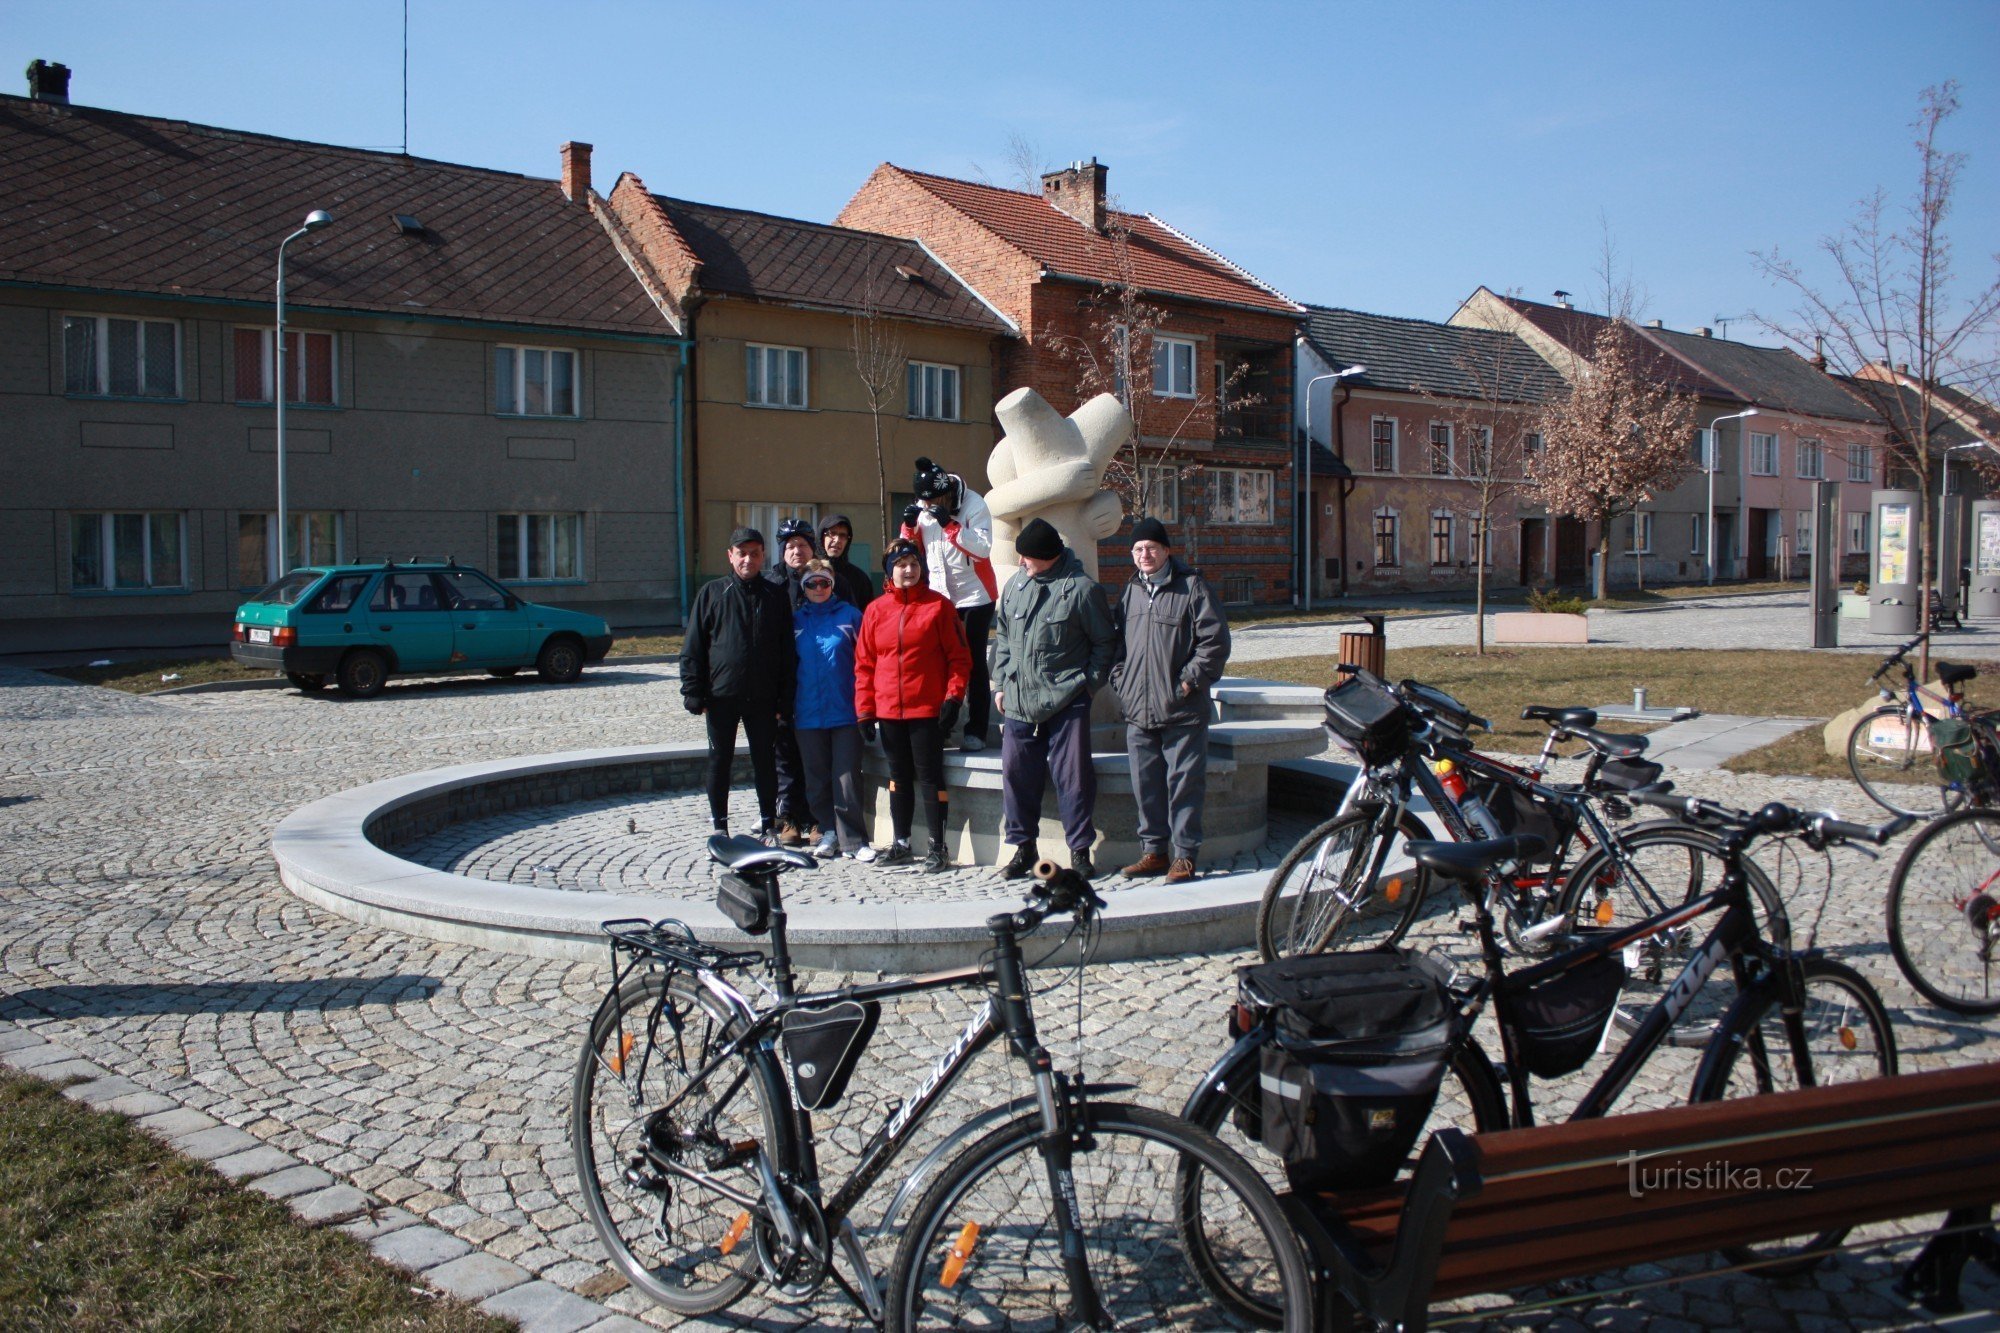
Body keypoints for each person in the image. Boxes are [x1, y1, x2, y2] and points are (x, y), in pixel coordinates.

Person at [990, 517, 1116, 880]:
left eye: (1027, 557)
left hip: (1067, 698)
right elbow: (1004, 638)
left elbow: (1105, 643)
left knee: (1074, 778)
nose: (1020, 563)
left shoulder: (1080, 589)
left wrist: (1089, 685)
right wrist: (1000, 684)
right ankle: (1023, 848)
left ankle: (1079, 851)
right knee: (1016, 775)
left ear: (1047, 557)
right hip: (1017, 700)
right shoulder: (1015, 585)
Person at [1110, 517, 1231, 883]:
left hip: (1181, 709)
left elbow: (1215, 643)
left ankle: (1185, 856)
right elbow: (1118, 645)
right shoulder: (1130, 591)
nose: (1144, 555)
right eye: (1138, 549)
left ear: (1166, 551)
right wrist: (1121, 680)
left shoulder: (1192, 587)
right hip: (1138, 709)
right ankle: (1153, 853)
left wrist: (1188, 682)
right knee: (1146, 785)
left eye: (1151, 548)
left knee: (1184, 785)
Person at [855, 540, 970, 871]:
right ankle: (902, 842)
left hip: (926, 711)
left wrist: (953, 697)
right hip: (890, 711)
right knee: (898, 777)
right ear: (890, 570)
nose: (908, 569)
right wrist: (864, 710)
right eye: (901, 564)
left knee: (931, 777)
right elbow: (864, 664)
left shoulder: (939, 607)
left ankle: (938, 845)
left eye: (914, 563)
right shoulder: (876, 610)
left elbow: (959, 659)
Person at [680, 528, 795, 840]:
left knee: (764, 762)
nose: (748, 559)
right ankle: (719, 826)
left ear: (763, 556)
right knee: (720, 760)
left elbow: (787, 651)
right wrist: (692, 690)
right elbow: (694, 646)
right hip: (721, 696)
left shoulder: (775, 595)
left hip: (764, 698)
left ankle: (768, 822)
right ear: (730, 556)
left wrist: (786, 698)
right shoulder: (712, 593)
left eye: (755, 553)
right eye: (741, 553)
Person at [899, 457, 996, 751]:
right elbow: (908, 551)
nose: (926, 506)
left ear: (945, 493)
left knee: (972, 659)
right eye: (922, 502)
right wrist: (907, 526)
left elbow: (981, 550)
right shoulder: (926, 506)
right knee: (939, 661)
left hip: (976, 595)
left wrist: (950, 526)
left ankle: (976, 728)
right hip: (940, 596)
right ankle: (942, 725)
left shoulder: (975, 505)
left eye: (931, 502)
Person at [792, 559, 868, 859]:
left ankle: (853, 840)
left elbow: (866, 662)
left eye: (824, 582)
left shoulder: (851, 616)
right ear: (804, 587)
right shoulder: (795, 621)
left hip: (846, 710)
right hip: (807, 712)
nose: (818, 588)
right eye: (812, 583)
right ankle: (827, 831)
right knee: (817, 778)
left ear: (832, 584)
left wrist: (866, 705)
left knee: (847, 777)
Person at [765, 516, 820, 844]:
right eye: (790, 546)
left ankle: (814, 816)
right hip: (782, 682)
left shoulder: (824, 580)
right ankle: (787, 818)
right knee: (784, 755)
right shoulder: (771, 585)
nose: (796, 551)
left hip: (816, 680)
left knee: (813, 754)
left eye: (802, 544)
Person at [817, 513, 876, 609]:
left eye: (843, 535)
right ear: (821, 537)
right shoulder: (809, 573)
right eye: (832, 533)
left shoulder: (859, 578)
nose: (837, 540)